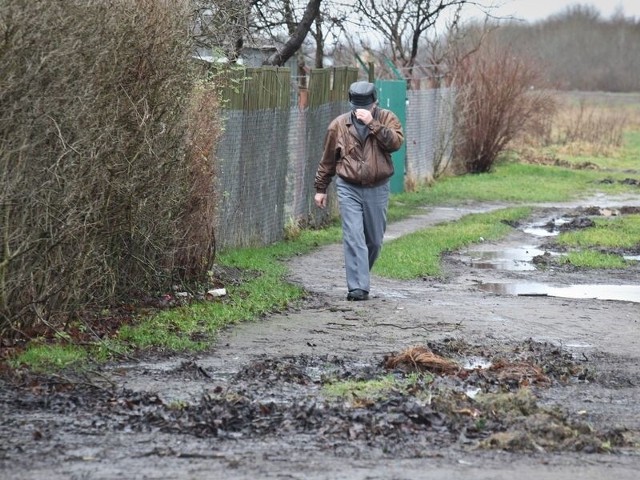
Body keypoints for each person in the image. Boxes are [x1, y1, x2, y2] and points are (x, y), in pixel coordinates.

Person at [313, 81, 404, 301]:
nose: (361, 110)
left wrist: (373, 124)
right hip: (348, 186)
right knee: (354, 235)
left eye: (367, 106)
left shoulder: (387, 118)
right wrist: (321, 188)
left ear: (375, 103)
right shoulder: (339, 125)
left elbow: (396, 143)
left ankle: (360, 274)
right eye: (357, 106)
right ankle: (358, 288)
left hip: (378, 186)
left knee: (373, 240)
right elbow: (328, 159)